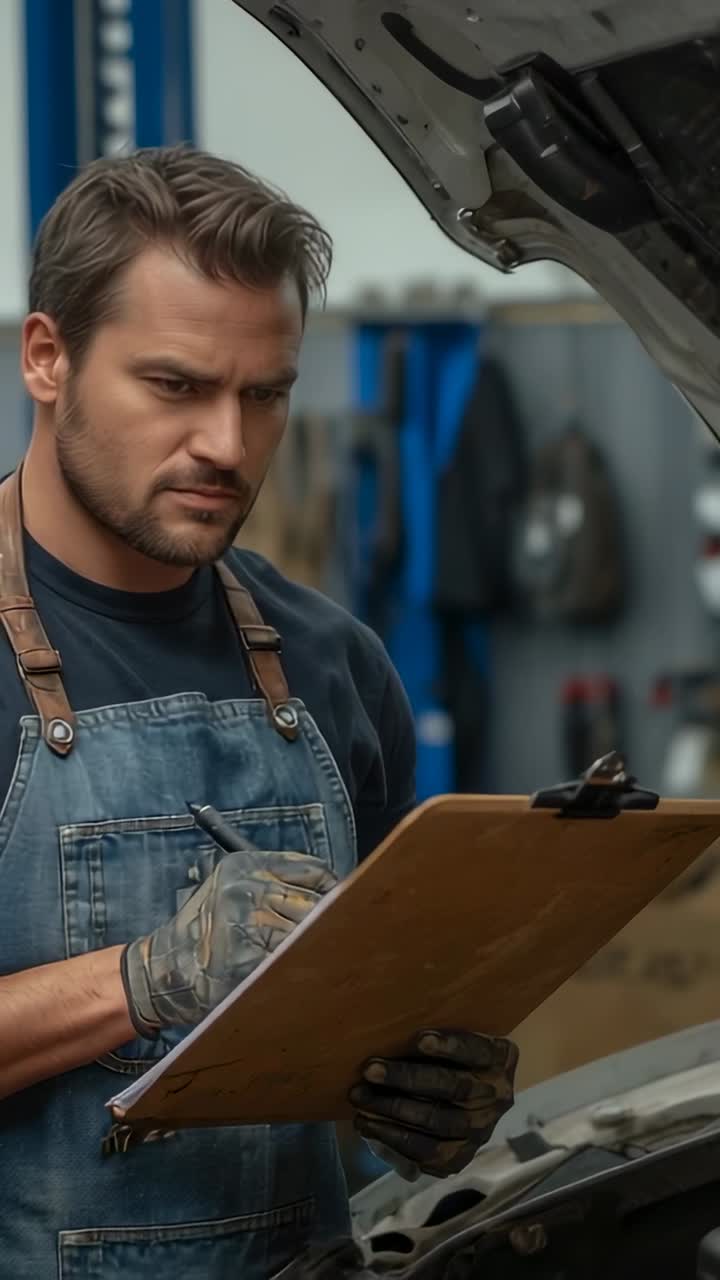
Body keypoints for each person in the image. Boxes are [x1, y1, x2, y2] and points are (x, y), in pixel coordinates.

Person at [0, 145, 518, 1279]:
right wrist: (145, 978)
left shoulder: (336, 663)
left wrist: (425, 1085)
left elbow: (376, 1014)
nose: (228, 446)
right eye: (177, 386)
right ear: (48, 356)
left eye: (265, 394)